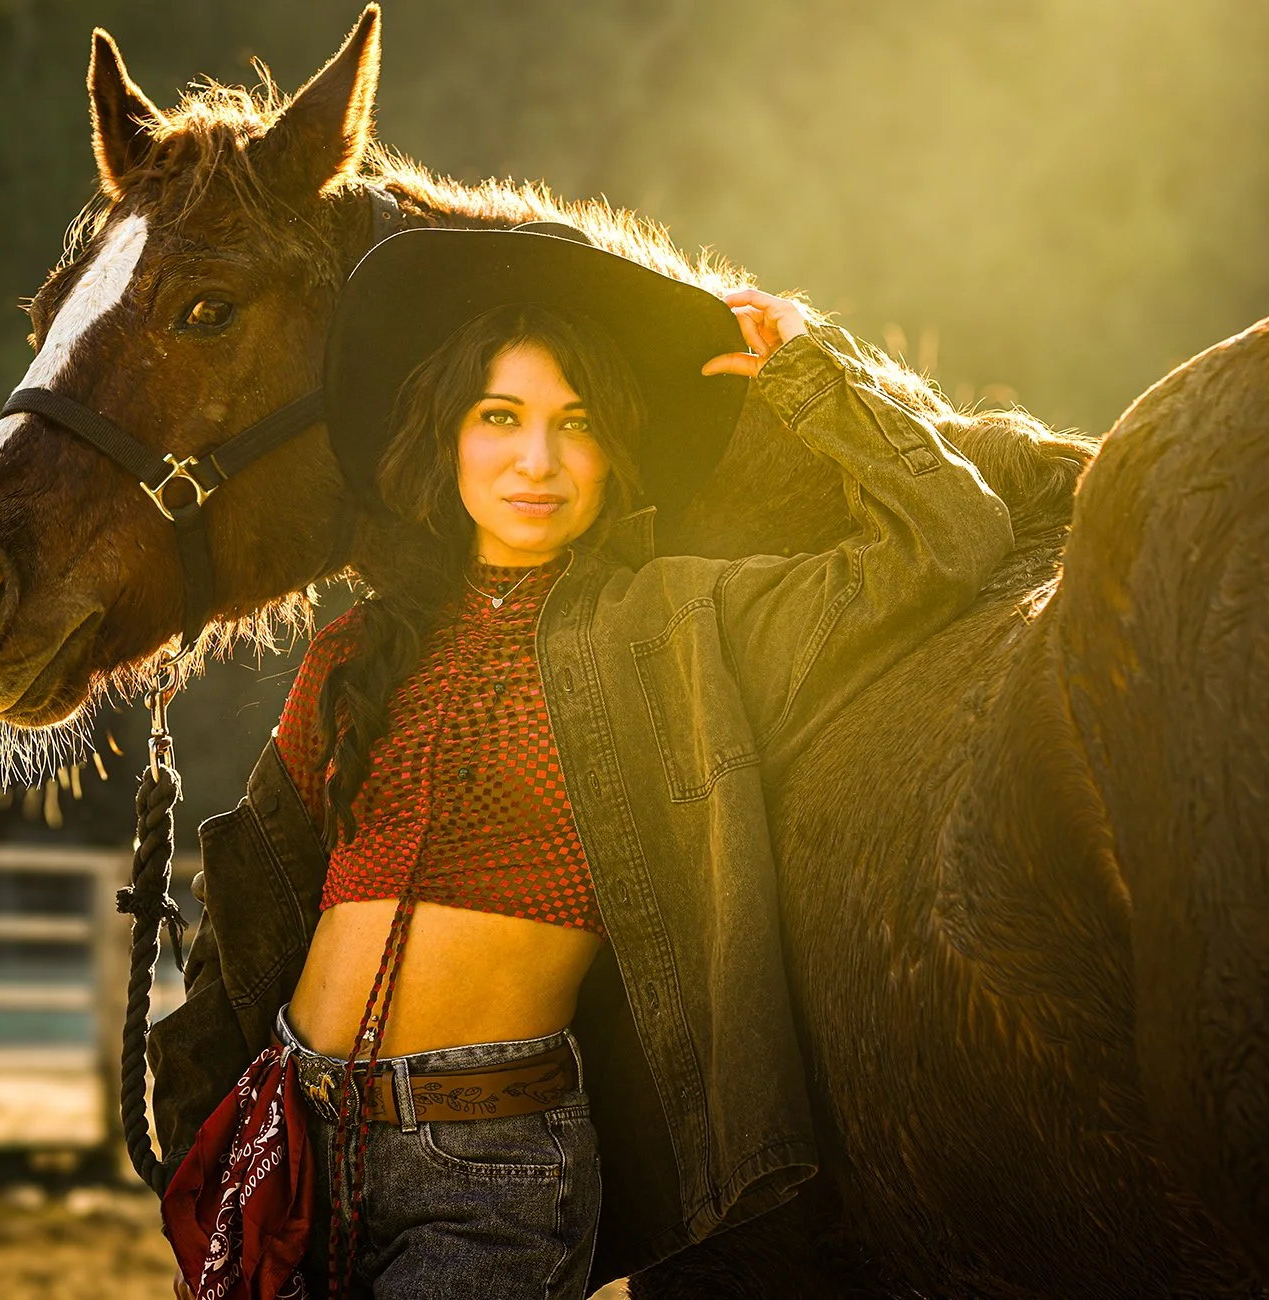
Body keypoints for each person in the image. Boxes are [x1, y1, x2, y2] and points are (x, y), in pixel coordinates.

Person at [153, 225, 1015, 1300]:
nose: (536, 460)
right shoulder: (356, 651)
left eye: (577, 425)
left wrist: (812, 370)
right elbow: (250, 898)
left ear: (613, 457)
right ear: (448, 436)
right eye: (500, 417)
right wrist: (197, 1118)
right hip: (290, 1149)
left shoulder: (678, 626)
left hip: (490, 1168)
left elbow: (946, 538)